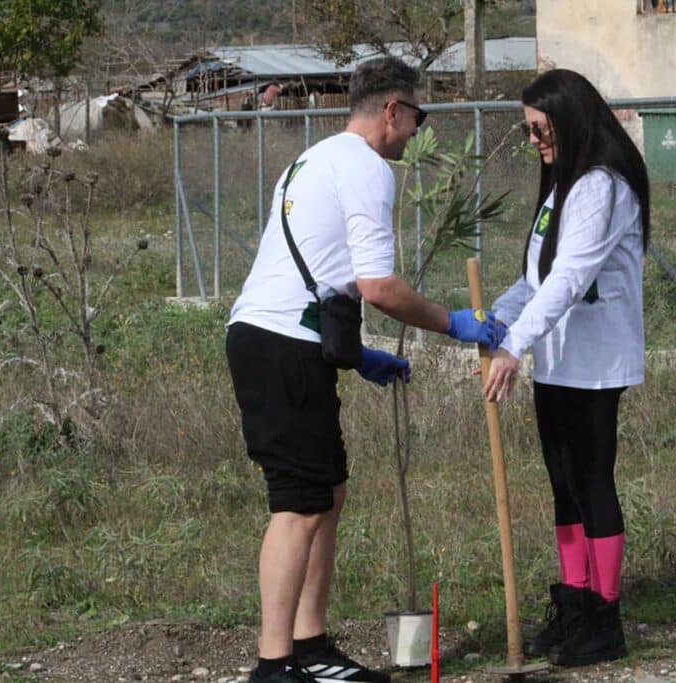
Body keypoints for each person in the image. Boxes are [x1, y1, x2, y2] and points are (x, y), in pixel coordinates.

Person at [226, 56, 506, 683]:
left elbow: (323, 273)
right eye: (417, 116)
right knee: (297, 506)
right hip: (280, 345)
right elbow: (378, 286)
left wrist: (354, 355)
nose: (415, 131)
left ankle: (310, 645)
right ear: (391, 110)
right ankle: (275, 666)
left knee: (327, 494)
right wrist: (451, 322)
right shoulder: (368, 169)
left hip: (279, 338)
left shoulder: (314, 159)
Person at [482, 69, 651, 667]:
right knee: (562, 485)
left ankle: (605, 618)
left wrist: (514, 346)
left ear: (570, 118)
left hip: (595, 362)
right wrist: (493, 317)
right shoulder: (562, 187)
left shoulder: (602, 186)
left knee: (592, 483)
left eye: (540, 129)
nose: (534, 142)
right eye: (528, 131)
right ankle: (575, 602)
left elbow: (573, 277)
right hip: (558, 361)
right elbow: (538, 279)